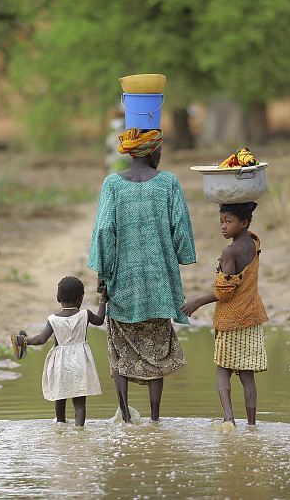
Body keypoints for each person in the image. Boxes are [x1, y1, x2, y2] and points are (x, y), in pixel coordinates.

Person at [88, 127, 196, 422]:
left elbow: (103, 231)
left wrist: (103, 274)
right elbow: (181, 229)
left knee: (120, 353)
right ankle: (155, 418)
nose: (161, 155)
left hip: (122, 282)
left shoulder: (112, 184)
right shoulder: (168, 184)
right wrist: (182, 256)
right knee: (157, 353)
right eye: (159, 149)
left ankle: (124, 417)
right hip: (159, 286)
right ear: (150, 151)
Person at [180, 202, 268, 426]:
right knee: (248, 376)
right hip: (252, 316)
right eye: (221, 221)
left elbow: (224, 292)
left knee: (223, 370)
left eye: (228, 222)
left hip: (231, 319)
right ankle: (251, 425)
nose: (223, 227)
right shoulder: (254, 242)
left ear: (244, 223)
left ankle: (229, 419)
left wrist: (197, 302)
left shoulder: (230, 251)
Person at [10, 276, 108, 427]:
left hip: (60, 364)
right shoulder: (85, 314)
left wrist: (23, 341)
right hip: (81, 362)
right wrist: (103, 299)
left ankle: (60, 426)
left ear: (58, 298)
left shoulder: (53, 319)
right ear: (81, 298)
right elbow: (100, 320)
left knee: (60, 398)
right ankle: (79, 430)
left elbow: (41, 339)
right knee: (80, 403)